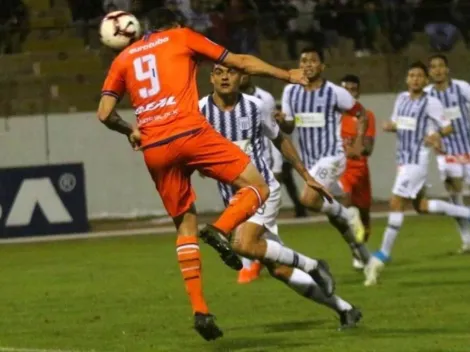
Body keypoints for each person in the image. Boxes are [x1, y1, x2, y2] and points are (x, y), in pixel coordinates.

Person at [96, 8, 331, 341]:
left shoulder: (121, 61)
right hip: (190, 132)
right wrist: (286, 75)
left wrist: (130, 130)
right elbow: (240, 62)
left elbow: (105, 113)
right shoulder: (181, 37)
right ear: (174, 25)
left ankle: (201, 310)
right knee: (257, 186)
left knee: (184, 226)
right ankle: (220, 229)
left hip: (155, 148)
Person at [200, 64, 362, 328]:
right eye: (219, 72)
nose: (225, 76)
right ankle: (345, 309)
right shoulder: (200, 111)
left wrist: (305, 175)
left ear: (241, 77)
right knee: (279, 269)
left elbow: (280, 139)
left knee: (242, 245)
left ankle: (313, 265)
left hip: (263, 190)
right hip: (234, 199)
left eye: (231, 72)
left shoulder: (255, 106)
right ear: (211, 78)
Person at [364, 61, 470, 286]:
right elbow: (398, 122)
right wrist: (390, 126)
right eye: (411, 75)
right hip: (402, 160)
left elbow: (448, 126)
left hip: (416, 161)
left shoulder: (431, 102)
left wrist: (436, 135)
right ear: (407, 79)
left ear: (425, 81)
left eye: (420, 76)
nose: (415, 79)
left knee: (396, 203)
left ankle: (382, 255)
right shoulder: (401, 98)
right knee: (421, 207)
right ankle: (466, 212)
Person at [281, 47, 371, 267]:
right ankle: (363, 255)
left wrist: (359, 140)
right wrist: (280, 121)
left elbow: (361, 114)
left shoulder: (335, 92)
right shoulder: (290, 92)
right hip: (310, 161)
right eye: (303, 61)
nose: (308, 65)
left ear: (322, 66)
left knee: (308, 200)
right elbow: (289, 127)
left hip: (332, 156)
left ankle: (350, 215)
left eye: (313, 61)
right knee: (334, 217)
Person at [236, 74, 291, 284]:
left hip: (262, 168)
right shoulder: (225, 102)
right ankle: (288, 260)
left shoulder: (263, 99)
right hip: (237, 171)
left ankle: (250, 265)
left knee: (262, 222)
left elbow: (274, 135)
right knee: (242, 217)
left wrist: (277, 166)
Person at [425, 54, 470, 254]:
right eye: (433, 67)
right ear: (429, 71)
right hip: (447, 152)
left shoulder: (462, 87)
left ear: (447, 69)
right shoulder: (426, 94)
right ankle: (467, 240)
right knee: (455, 195)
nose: (437, 70)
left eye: (441, 66)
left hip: (468, 148)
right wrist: (432, 138)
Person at [336, 74, 376, 270]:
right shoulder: (334, 116)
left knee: (364, 218)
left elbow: (368, 148)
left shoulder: (366, 116)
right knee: (346, 202)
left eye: (353, 89)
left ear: (358, 92)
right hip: (342, 169)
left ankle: (362, 248)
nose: (349, 93)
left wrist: (358, 147)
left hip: (361, 171)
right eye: (345, 90)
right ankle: (356, 252)